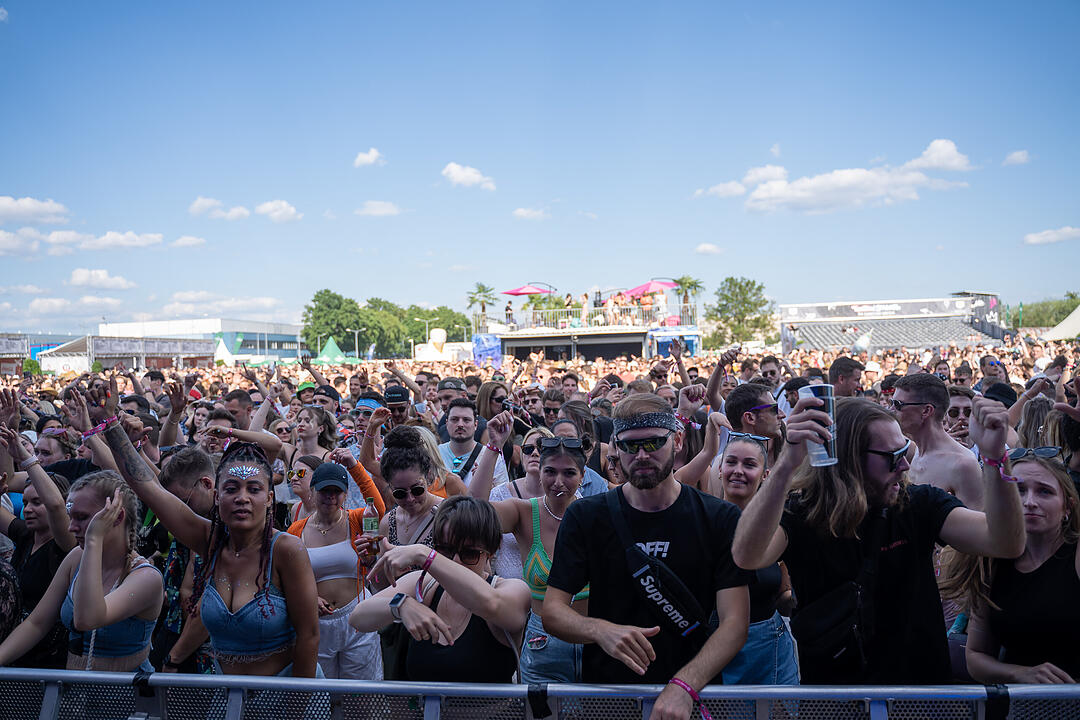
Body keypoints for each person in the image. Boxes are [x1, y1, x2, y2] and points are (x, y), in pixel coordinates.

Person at [733, 395, 1026, 684]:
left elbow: (1004, 543)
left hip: (920, 697)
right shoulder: (804, 512)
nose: (905, 466)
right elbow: (747, 556)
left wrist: (995, 456)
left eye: (905, 452)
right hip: (835, 700)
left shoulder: (918, 504)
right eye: (893, 458)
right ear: (850, 460)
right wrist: (786, 465)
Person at [544, 394, 750, 720]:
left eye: (654, 444)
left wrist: (685, 685)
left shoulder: (718, 517)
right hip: (609, 696)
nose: (641, 455)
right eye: (629, 446)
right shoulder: (587, 516)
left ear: (678, 440)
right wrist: (600, 631)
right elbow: (553, 611)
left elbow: (735, 624)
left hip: (691, 695)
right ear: (614, 448)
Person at [98, 386, 319, 677]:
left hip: (281, 695)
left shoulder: (286, 550)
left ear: (269, 499)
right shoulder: (209, 540)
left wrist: (296, 705)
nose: (242, 497)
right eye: (231, 488)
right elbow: (147, 488)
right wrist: (111, 424)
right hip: (224, 694)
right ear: (216, 495)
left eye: (254, 489)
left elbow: (309, 636)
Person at [349, 496, 530, 683]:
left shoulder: (513, 589)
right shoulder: (427, 585)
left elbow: (492, 605)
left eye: (469, 553)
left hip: (493, 713)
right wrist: (400, 606)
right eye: (445, 550)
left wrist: (424, 554)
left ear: (492, 551)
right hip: (425, 712)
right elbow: (357, 617)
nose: (455, 561)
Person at [0, 470, 163, 672]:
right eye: (71, 517)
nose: (71, 527)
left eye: (82, 517)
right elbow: (37, 623)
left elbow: (87, 619)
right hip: (75, 693)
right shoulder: (76, 557)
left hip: (123, 698)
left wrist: (94, 539)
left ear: (117, 517)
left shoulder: (145, 577)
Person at [470, 412, 589, 682]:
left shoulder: (595, 514)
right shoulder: (523, 513)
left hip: (595, 640)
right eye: (550, 472)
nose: (558, 481)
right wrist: (493, 446)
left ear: (583, 475)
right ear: (538, 471)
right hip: (543, 644)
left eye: (569, 473)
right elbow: (473, 512)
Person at [945, 450, 1080, 683]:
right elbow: (976, 656)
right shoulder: (990, 562)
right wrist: (1020, 673)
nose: (1029, 502)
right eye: (1018, 490)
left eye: (1044, 492)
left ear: (1067, 507)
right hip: (1022, 704)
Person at [712, 434, 799, 685]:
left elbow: (785, 591)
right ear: (720, 470)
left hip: (771, 650)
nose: (738, 471)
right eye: (731, 463)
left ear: (765, 475)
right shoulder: (703, 522)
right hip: (715, 649)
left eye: (749, 465)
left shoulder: (778, 528)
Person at [287, 462, 383, 680]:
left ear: (346, 494)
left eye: (337, 491)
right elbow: (287, 577)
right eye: (324, 491)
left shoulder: (358, 519)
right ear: (311, 492)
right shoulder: (296, 530)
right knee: (320, 694)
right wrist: (310, 598)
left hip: (358, 616)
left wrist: (354, 465)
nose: (330, 497)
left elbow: (379, 507)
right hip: (316, 622)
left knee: (361, 695)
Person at [0, 426, 74, 668]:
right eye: (27, 502)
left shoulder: (66, 545)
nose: (28, 508)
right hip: (13, 647)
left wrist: (26, 457)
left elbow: (54, 505)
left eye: (36, 502)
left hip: (45, 657)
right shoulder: (26, 534)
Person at [894, 374, 983, 509]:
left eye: (898, 404)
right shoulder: (913, 451)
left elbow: (976, 525)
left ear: (926, 410)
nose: (891, 410)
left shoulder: (963, 464)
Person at [438, 399, 508, 489]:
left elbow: (503, 495)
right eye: (454, 419)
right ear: (447, 423)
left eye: (466, 420)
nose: (460, 424)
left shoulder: (491, 457)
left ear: (475, 424)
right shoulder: (435, 454)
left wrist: (488, 486)